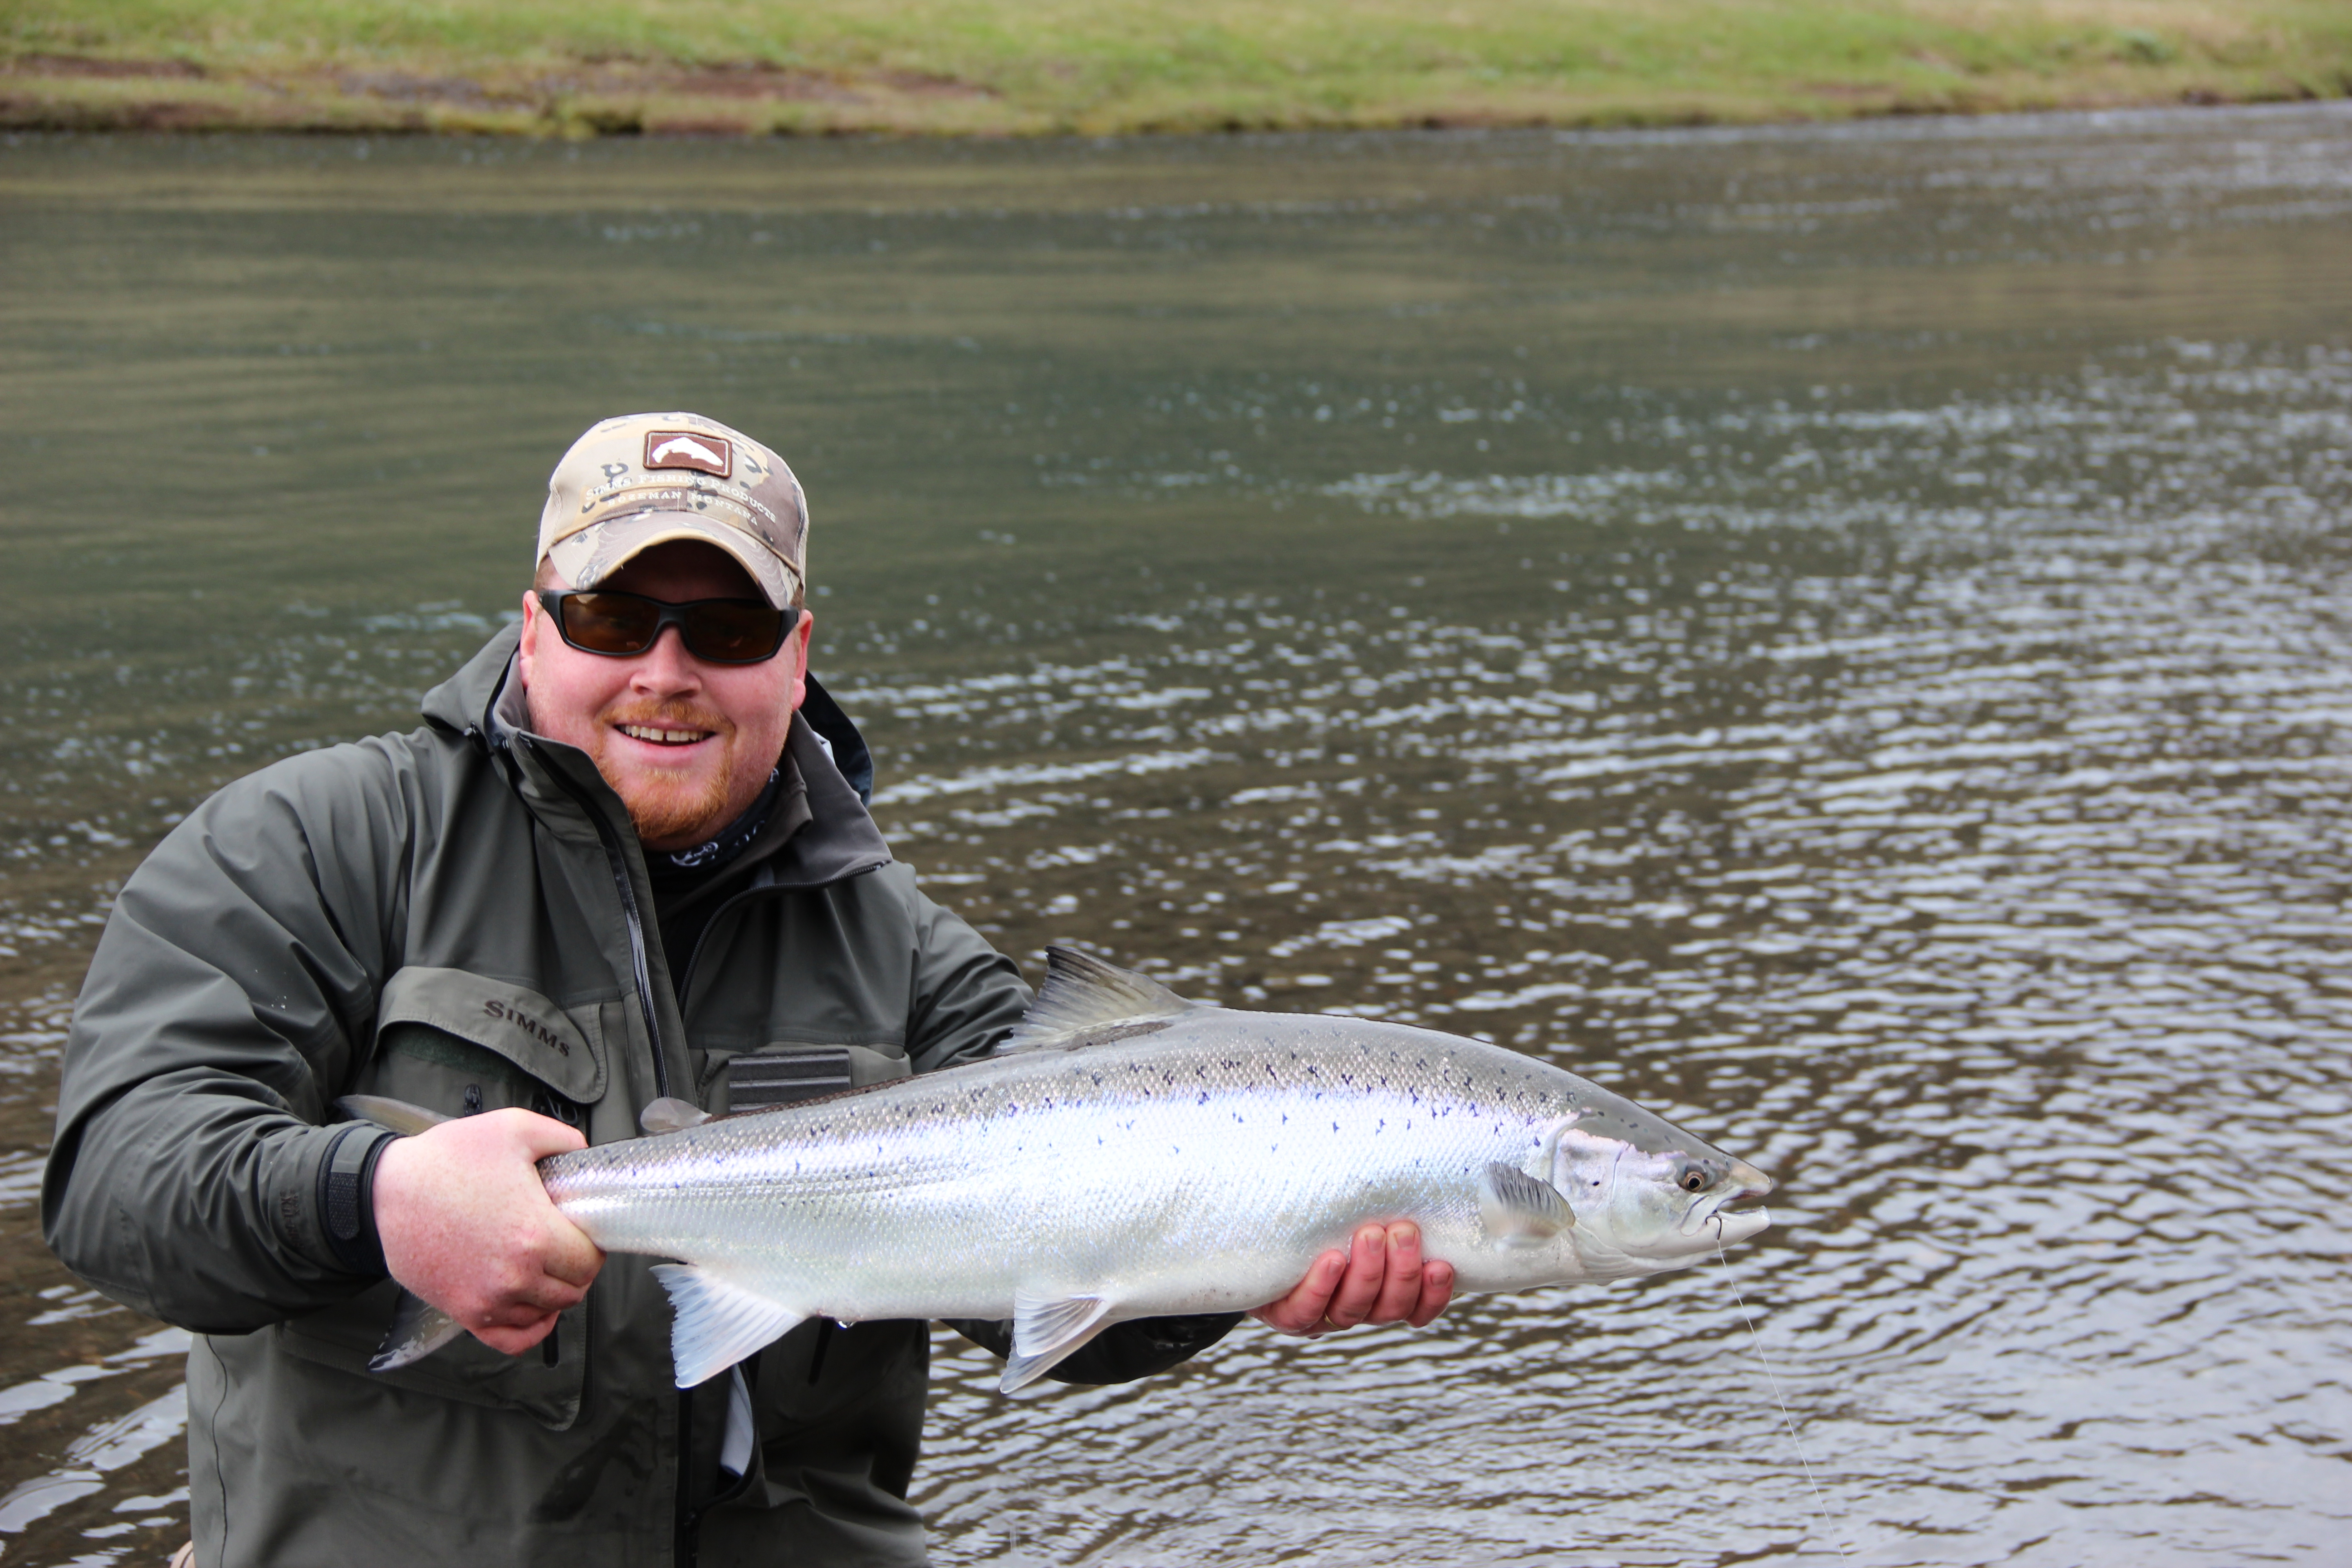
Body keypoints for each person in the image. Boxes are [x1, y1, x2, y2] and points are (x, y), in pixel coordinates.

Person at [44, 412, 1454, 1568]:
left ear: (796, 651)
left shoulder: (903, 948)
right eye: (615, 614)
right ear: (533, 628)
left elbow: (1056, 1310)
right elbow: (118, 1186)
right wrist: (372, 1200)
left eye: (724, 626)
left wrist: (1248, 1264)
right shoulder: (315, 842)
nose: (666, 671)